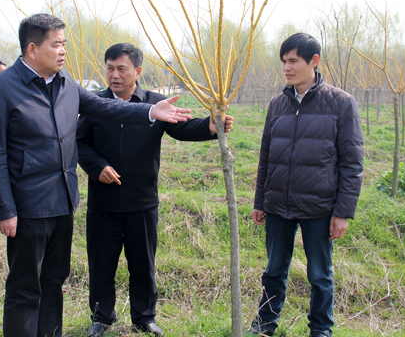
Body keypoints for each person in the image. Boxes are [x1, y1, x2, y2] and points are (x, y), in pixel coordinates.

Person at [0, 14, 192, 337]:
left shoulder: (66, 84)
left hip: (62, 203)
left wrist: (150, 110)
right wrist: (4, 209)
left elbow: (107, 107)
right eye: (57, 44)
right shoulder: (1, 87)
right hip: (27, 206)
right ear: (33, 49)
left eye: (64, 43)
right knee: (25, 286)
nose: (63, 51)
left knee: (53, 281)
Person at [76, 43, 233, 337]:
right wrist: (97, 167)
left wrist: (211, 128)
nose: (114, 75)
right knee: (101, 264)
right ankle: (101, 318)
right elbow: (80, 142)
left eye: (121, 68)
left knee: (143, 264)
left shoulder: (155, 103)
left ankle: (144, 318)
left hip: (142, 200)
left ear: (137, 71)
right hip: (103, 202)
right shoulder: (95, 105)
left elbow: (182, 128)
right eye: (109, 68)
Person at [245, 33, 364, 337]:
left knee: (320, 275)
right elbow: (266, 157)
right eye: (284, 62)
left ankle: (321, 329)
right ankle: (265, 324)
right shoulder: (277, 105)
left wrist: (343, 212)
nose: (287, 67)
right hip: (278, 206)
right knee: (273, 270)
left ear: (314, 61)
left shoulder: (341, 103)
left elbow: (352, 163)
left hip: (319, 207)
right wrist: (260, 201)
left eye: (293, 61)